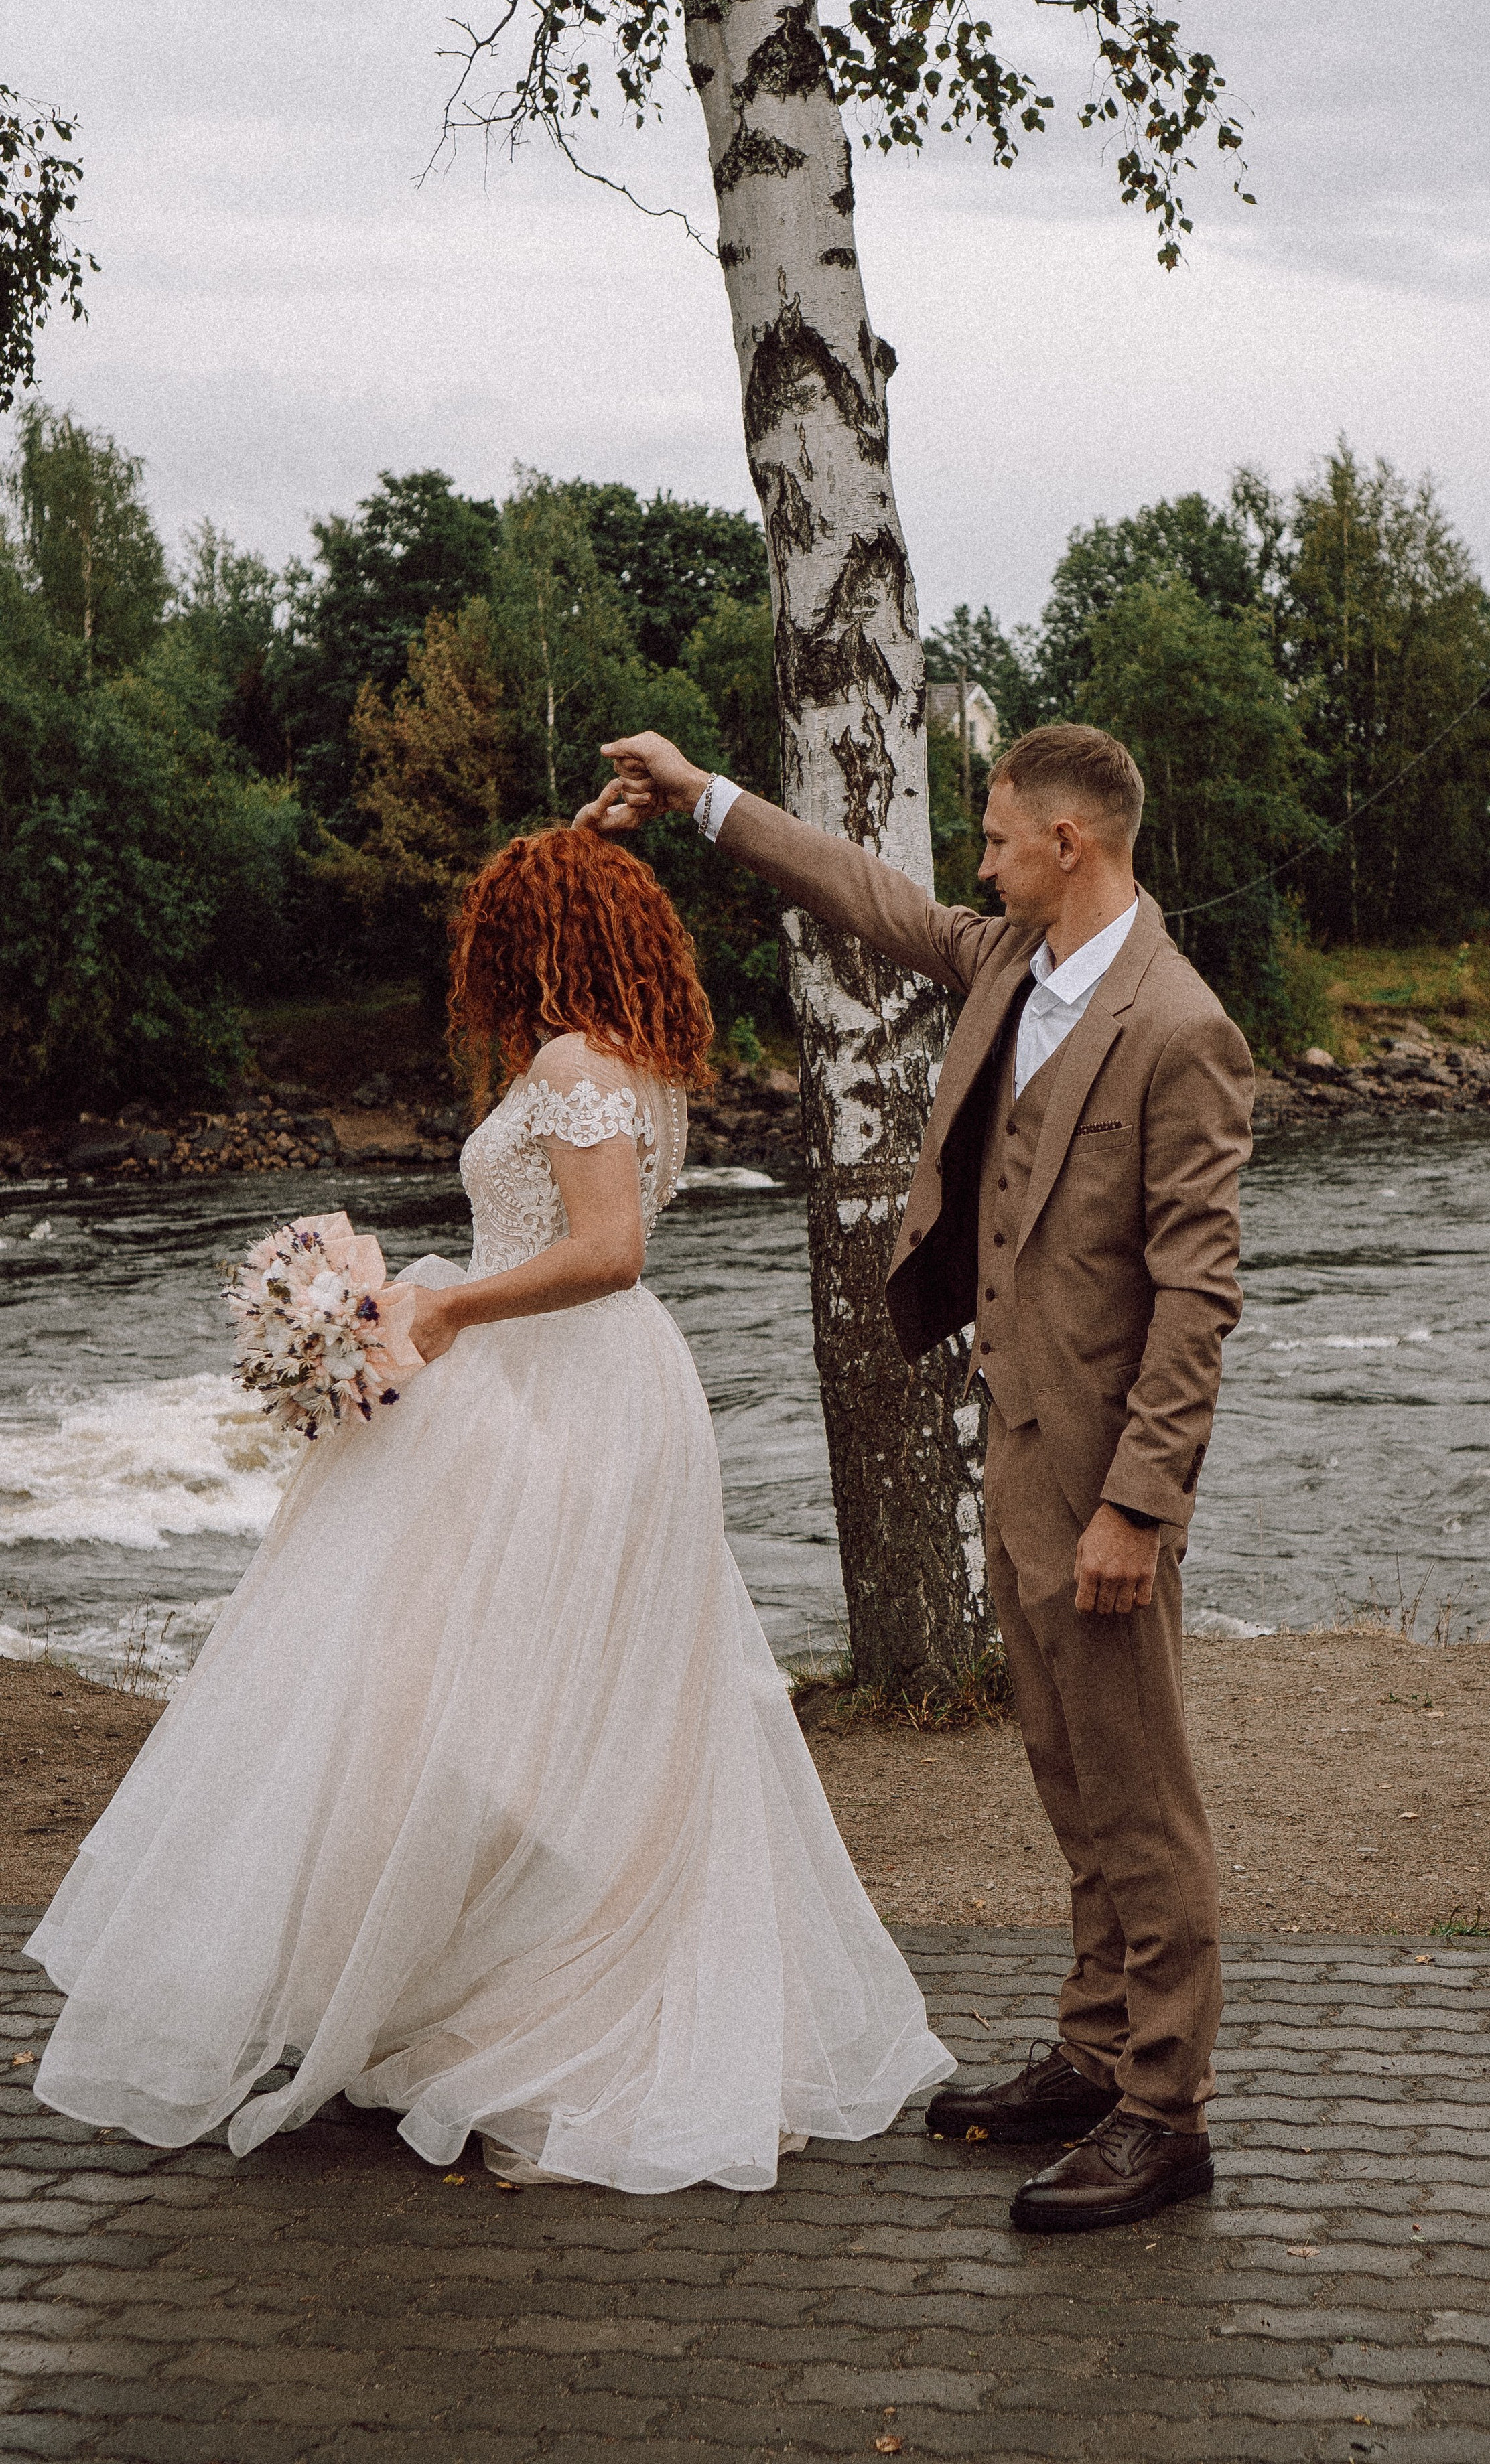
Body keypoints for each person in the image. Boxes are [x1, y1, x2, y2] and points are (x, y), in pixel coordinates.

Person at [27, 810, 953, 2192]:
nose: (479, 953)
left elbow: (609, 1251)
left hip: (563, 1390)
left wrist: (443, 1302)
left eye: (494, 929)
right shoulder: (621, 1064)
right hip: (561, 1385)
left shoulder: (579, 1066)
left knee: (494, 1697)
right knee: (547, 1701)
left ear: (531, 938)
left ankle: (552, 2010)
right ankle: (471, 1977)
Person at [599, 723, 1252, 2236]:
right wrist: (704, 800)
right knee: (1063, 1767)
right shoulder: (1008, 963)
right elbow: (860, 895)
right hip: (1012, 1439)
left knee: (1141, 1796)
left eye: (997, 835)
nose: (976, 858)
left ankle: (1165, 2109)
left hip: (1101, 1473)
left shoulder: (1178, 1026)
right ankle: (1096, 2050)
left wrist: (1136, 1508)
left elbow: (1195, 1297)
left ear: (1070, 843)